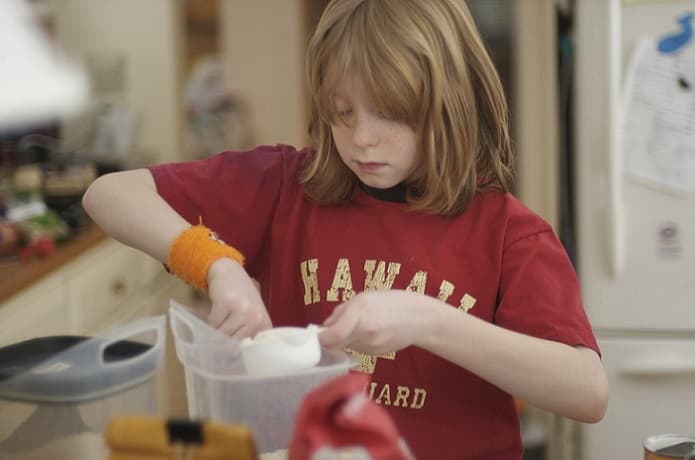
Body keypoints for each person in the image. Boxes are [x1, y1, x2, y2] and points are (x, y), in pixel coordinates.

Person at [82, 0, 608, 458]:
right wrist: (216, 264)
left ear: (448, 105)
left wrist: (428, 320)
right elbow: (109, 194)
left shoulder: (508, 233)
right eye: (341, 112)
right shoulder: (287, 187)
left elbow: (587, 392)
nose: (361, 139)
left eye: (390, 114)